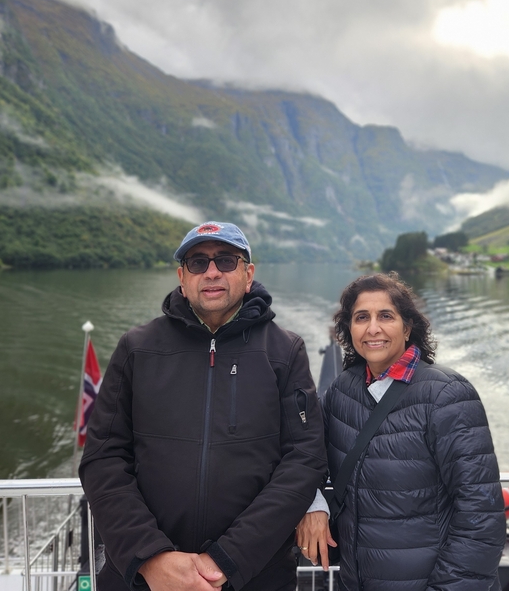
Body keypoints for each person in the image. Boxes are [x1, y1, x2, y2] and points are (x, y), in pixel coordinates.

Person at [80, 221, 327, 591]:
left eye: (226, 260)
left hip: (253, 577)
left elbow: (304, 460)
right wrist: (150, 557)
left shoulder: (284, 351)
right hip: (144, 580)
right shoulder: (137, 348)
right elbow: (103, 458)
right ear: (182, 278)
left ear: (248, 274)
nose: (212, 272)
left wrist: (226, 560)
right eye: (197, 262)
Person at [295, 272, 506, 591]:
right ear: (349, 329)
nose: (373, 328)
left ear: (407, 328)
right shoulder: (341, 392)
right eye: (361, 317)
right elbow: (303, 451)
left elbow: (481, 515)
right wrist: (313, 504)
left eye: (386, 316)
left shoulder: (447, 396)